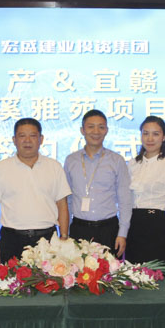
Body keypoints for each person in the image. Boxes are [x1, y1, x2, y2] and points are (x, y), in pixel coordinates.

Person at [0, 118, 71, 265]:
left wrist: (64, 237)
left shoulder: (54, 167)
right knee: (12, 279)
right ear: (14, 140)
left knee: (47, 279)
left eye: (33, 135)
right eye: (22, 136)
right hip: (12, 239)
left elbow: (62, 205)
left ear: (41, 139)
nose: (27, 141)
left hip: (47, 239)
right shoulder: (1, 168)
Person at [64, 110, 131, 257]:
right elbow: (67, 200)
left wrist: (122, 234)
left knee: (110, 271)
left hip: (108, 229)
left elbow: (125, 200)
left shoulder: (116, 160)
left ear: (106, 130)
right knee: (76, 270)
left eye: (101, 127)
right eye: (91, 127)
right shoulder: (71, 160)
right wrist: (65, 232)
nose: (96, 131)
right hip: (79, 228)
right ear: (82, 130)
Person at [125, 116, 165, 265]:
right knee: (132, 271)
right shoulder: (132, 164)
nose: (150, 138)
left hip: (156, 224)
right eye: (146, 133)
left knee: (156, 273)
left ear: (164, 137)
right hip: (133, 223)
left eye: (155, 134)